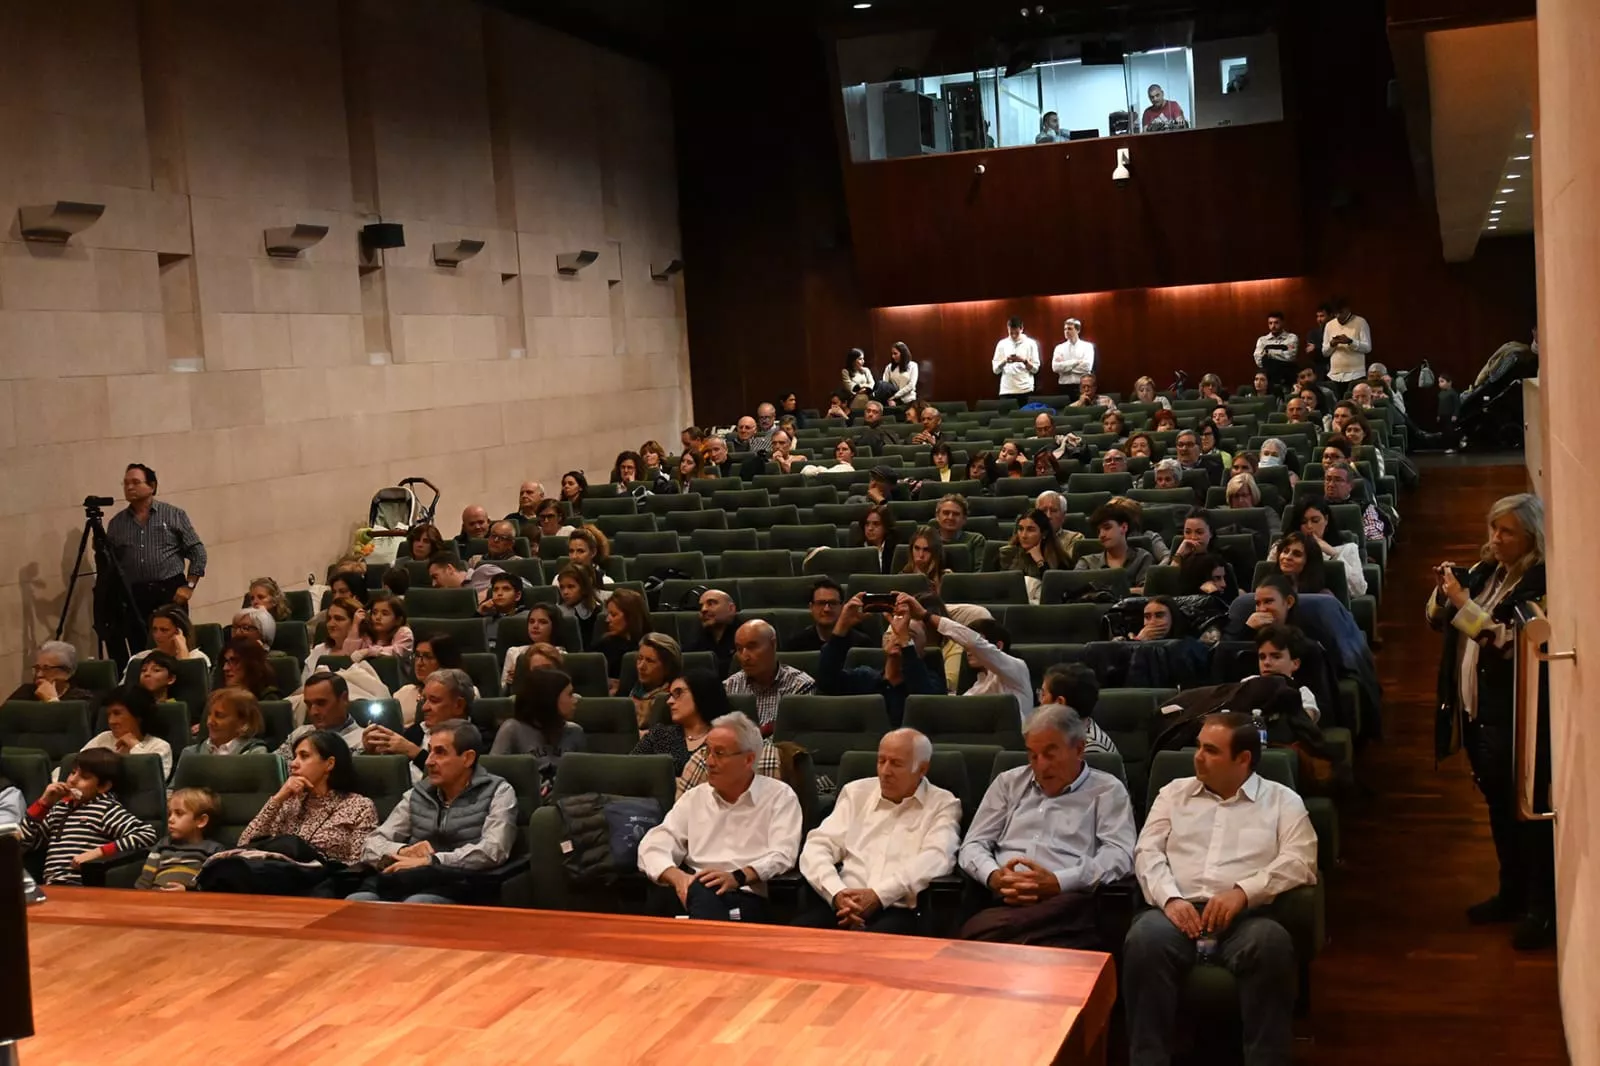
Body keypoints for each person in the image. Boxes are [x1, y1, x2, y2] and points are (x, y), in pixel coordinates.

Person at [1124, 713, 1317, 1066]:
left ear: (1243, 759)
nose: (1197, 756)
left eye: (1211, 750)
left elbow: (1301, 859)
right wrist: (1170, 898)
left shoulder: (1281, 801)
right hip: (1175, 912)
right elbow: (1146, 852)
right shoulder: (1173, 794)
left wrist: (1244, 892)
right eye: (1199, 746)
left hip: (1245, 917)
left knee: (1271, 944)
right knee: (1143, 940)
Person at [1427, 493, 1553, 949]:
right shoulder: (1488, 570)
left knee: (1525, 814)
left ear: (1531, 538)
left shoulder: (1538, 580)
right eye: (1493, 529)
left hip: (1513, 715)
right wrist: (1446, 594)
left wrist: (1461, 601)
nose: (1495, 539)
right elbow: (1437, 619)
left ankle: (1540, 908)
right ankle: (1510, 892)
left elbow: (1507, 644)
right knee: (1498, 809)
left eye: (1507, 532)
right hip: (1478, 713)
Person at [958, 705, 1136, 947]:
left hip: (1067, 902)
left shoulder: (1107, 790)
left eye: (1050, 754)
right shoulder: (1008, 783)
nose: (1040, 765)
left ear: (1079, 749)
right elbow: (973, 844)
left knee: (982, 939)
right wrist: (995, 876)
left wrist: (1059, 881)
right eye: (1032, 755)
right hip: (1004, 900)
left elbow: (1120, 855)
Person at [637, 711, 802, 923]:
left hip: (745, 894)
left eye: (719, 753)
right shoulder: (694, 798)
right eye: (707, 751)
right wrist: (678, 878)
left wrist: (737, 876)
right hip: (692, 891)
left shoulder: (780, 796)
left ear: (748, 759)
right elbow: (654, 844)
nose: (709, 762)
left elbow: (783, 854)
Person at [796, 728, 960, 933]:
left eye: (896, 764)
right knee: (793, 939)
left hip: (898, 910)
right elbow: (817, 846)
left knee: (866, 950)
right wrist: (837, 893)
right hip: (842, 904)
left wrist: (879, 895)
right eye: (881, 761)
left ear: (922, 769)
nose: (885, 771)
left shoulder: (942, 803)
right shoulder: (856, 793)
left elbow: (937, 859)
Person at [349, 721, 518, 905]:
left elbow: (494, 850)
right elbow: (370, 845)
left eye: (440, 752)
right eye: (429, 751)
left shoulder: (498, 791)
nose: (429, 761)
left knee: (416, 905)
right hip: (408, 878)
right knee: (356, 902)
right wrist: (403, 850)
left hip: (460, 882)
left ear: (468, 758)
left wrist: (433, 860)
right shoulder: (418, 793)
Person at [20, 747, 158, 886]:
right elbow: (23, 842)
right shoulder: (59, 808)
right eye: (72, 773)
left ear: (103, 787)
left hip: (82, 886)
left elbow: (145, 834)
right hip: (52, 886)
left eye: (84, 777)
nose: (72, 780)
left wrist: (98, 853)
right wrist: (43, 804)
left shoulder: (105, 809)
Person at [238, 731, 378, 865]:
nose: (293, 764)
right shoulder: (289, 801)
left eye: (304, 756)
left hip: (327, 883)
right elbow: (244, 845)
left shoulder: (359, 807)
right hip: (279, 878)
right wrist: (278, 798)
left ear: (329, 764)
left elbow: (359, 866)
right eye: (295, 756)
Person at [105, 462, 207, 630]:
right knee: (140, 648)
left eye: (136, 482)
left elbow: (198, 552)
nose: (129, 487)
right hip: (135, 596)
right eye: (126, 483)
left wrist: (189, 587)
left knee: (172, 644)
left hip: (169, 593)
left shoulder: (173, 514)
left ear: (151, 486)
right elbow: (113, 564)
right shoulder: (117, 523)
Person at [903, 595, 1032, 724]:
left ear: (998, 646)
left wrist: (926, 616)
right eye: (967, 648)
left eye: (974, 647)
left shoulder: (1017, 669)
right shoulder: (977, 686)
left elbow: (972, 642)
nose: (968, 652)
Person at [362, 668, 475, 783]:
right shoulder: (415, 731)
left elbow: (456, 778)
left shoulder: (478, 739)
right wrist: (374, 755)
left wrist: (415, 753)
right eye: (424, 700)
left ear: (458, 705)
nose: (424, 708)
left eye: (434, 701)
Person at [491, 667, 585, 792]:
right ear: (550, 698)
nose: (575, 700)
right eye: (569, 695)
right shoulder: (512, 729)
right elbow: (493, 778)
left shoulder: (575, 732)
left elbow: (584, 780)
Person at [723, 620, 817, 733]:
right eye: (739, 649)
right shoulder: (728, 686)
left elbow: (795, 736)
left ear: (773, 644)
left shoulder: (800, 685)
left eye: (752, 647)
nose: (744, 657)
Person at [134, 787, 221, 891]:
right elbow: (146, 878)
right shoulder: (163, 845)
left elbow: (213, 885)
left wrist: (188, 891)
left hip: (190, 901)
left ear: (201, 821)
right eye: (169, 814)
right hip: (155, 897)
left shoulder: (213, 850)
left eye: (179, 813)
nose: (170, 819)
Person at [81, 685, 174, 780]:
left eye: (117, 713)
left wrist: (135, 746)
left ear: (138, 715)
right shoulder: (103, 738)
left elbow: (152, 782)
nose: (111, 721)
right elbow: (78, 766)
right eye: (108, 715)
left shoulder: (160, 747)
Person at [1283, 497, 1367, 596]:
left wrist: (1332, 554)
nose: (1309, 526)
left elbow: (1359, 591)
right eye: (1303, 522)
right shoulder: (1283, 550)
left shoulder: (1347, 549)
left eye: (1315, 520)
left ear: (1326, 520)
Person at [276, 672, 364, 757]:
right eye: (309, 704)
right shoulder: (298, 734)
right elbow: (271, 766)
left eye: (321, 703)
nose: (313, 712)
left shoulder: (364, 741)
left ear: (344, 699)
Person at [1038, 663, 1118, 754]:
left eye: (1043, 694)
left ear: (1059, 702)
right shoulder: (1064, 730)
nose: (1040, 701)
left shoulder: (1090, 749)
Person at [1076, 502, 1155, 591]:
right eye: (1098, 531)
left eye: (1107, 528)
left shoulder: (1142, 558)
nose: (1101, 535)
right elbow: (1074, 592)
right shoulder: (1087, 562)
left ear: (1124, 527)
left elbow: (1146, 591)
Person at [121, 605, 210, 684]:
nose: (157, 635)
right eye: (155, 629)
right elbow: (123, 690)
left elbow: (193, 691)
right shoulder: (140, 657)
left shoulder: (198, 658)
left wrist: (183, 654)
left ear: (179, 632)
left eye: (164, 630)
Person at [1253, 624, 1323, 723]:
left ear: (1295, 664)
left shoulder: (1303, 693)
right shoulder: (1247, 683)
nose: (1267, 662)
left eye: (1276, 657)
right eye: (1262, 657)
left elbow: (1304, 726)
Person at [784, 578, 868, 653]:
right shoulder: (796, 645)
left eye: (833, 603)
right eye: (821, 603)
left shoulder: (861, 643)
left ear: (842, 606)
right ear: (811, 607)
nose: (826, 609)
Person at [591, 588, 651, 689]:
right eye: (608, 614)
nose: (607, 619)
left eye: (613, 615)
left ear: (631, 617)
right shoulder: (603, 645)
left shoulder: (651, 645)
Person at [185, 688, 269, 756]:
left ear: (242, 722)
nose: (210, 722)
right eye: (209, 714)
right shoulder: (191, 753)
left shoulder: (254, 753)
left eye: (220, 716)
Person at [7, 641, 96, 703]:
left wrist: (51, 700)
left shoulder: (82, 699)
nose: (39, 675)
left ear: (66, 673)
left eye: (47, 669)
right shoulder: (25, 691)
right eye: (37, 668)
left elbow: (69, 725)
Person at [629, 632, 682, 731]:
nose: (641, 666)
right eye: (639, 659)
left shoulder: (673, 702)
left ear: (667, 667)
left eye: (649, 661)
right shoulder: (631, 690)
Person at [999, 508, 1071, 582]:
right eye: (1020, 529)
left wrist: (1040, 562)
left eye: (1030, 530)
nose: (1024, 535)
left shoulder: (1060, 559)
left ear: (1044, 534)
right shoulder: (1006, 555)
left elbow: (1054, 587)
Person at [1323, 459, 1385, 541]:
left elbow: (1375, 530)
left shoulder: (1363, 507)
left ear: (1350, 486)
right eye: (1328, 479)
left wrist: (1347, 536)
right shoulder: (1315, 505)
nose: (1331, 484)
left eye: (1338, 480)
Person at [1322, 296, 1373, 384]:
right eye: (1335, 313)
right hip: (1334, 375)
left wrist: (1350, 342)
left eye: (1341, 312)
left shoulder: (1361, 322)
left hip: (1356, 375)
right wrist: (1332, 344)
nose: (1338, 316)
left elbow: (1368, 348)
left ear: (1347, 309)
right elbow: (1325, 353)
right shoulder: (1329, 325)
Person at [691, 588, 740, 675]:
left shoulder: (746, 636)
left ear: (731, 609)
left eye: (711, 603)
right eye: (700, 606)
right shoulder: (698, 641)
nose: (703, 609)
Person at [1252, 310, 1300, 394]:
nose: (1273, 326)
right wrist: (1281, 352)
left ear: (1282, 322)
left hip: (1287, 378)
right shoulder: (1262, 340)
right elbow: (1259, 361)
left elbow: (1290, 357)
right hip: (1269, 380)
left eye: (1276, 323)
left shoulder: (1291, 338)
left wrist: (1269, 353)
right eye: (1270, 323)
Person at [992, 316, 1039, 400]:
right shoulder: (1002, 344)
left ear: (1022, 329)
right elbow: (995, 370)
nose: (1014, 335)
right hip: (1006, 390)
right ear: (1008, 329)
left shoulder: (1031, 343)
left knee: (1025, 413)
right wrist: (1005, 361)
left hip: (1025, 390)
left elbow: (1035, 370)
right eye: (1011, 333)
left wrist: (1024, 361)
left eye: (1016, 333)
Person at [934, 494, 986, 561]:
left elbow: (980, 570)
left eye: (956, 514)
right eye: (946, 513)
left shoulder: (976, 540)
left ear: (964, 519)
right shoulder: (927, 540)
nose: (950, 518)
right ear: (937, 516)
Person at [901, 525, 949, 595]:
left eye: (926, 550)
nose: (921, 555)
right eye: (917, 548)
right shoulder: (902, 577)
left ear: (935, 552)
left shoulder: (945, 578)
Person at [1034, 492, 1086, 557]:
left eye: (1053, 511)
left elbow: (1066, 565)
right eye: (1043, 510)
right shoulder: (1025, 537)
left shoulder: (1075, 538)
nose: (1048, 516)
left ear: (1063, 516)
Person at [1051, 317, 1095, 389]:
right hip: (1064, 386)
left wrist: (1064, 367)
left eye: (1070, 329)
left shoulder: (1087, 346)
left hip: (1082, 386)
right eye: (1065, 329)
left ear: (1078, 330)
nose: (1066, 331)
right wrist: (1075, 362)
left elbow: (1087, 367)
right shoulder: (1059, 348)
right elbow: (1055, 368)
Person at [855, 504, 899, 575]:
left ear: (885, 527)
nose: (870, 528)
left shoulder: (895, 550)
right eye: (867, 524)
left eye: (876, 524)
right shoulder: (857, 548)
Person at [882, 341, 919, 406]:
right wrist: (891, 399)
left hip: (909, 400)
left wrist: (895, 396)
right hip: (893, 400)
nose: (893, 356)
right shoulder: (889, 367)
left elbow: (911, 385)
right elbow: (885, 385)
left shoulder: (913, 365)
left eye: (895, 353)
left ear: (903, 353)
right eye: (892, 354)